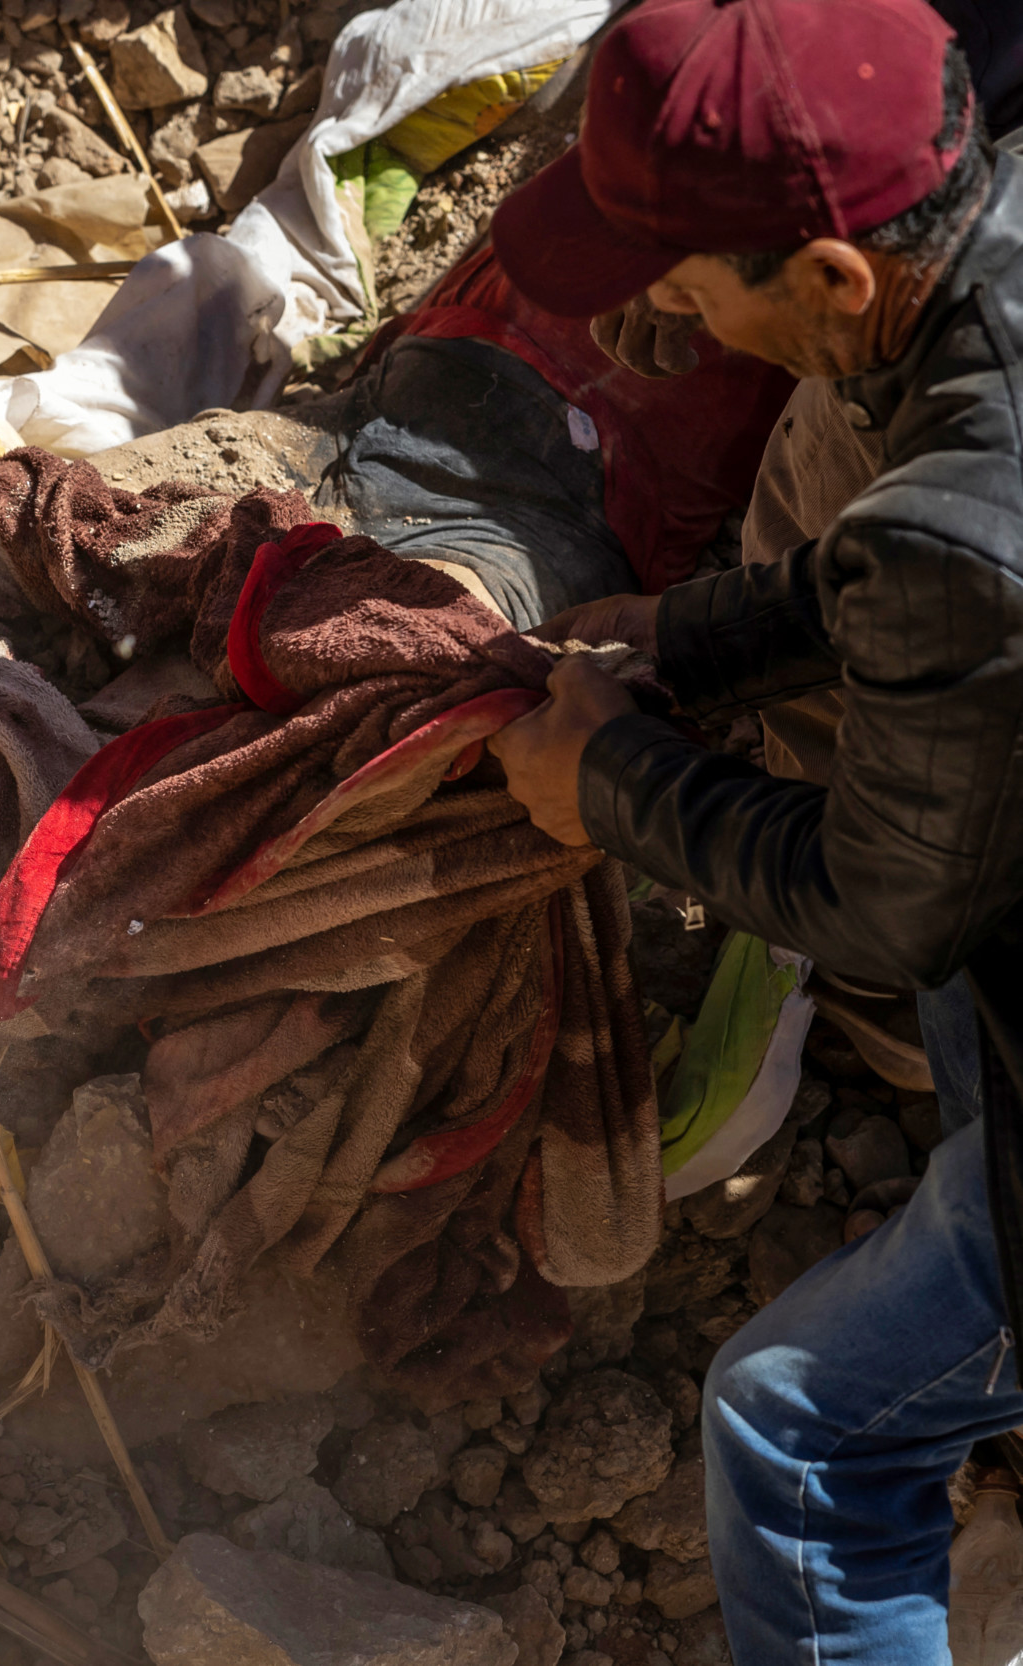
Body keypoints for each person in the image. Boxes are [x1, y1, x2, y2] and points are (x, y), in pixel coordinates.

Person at [481, 0, 1023, 1658]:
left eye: (692, 284)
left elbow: (882, 911)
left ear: (839, 279)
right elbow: (925, 594)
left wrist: (614, 789)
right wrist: (685, 642)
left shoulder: (959, 529)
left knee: (796, 1430)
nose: (665, 309)